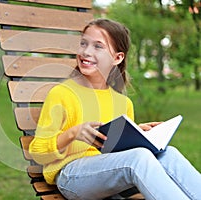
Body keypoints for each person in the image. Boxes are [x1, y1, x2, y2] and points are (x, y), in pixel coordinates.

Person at [29, 18, 201, 200]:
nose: (86, 52)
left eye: (98, 46)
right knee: (139, 158)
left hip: (109, 178)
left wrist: (137, 134)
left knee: (168, 154)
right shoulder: (63, 93)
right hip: (71, 176)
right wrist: (73, 133)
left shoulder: (122, 103)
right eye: (83, 43)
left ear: (118, 58)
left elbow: (120, 156)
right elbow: (37, 153)